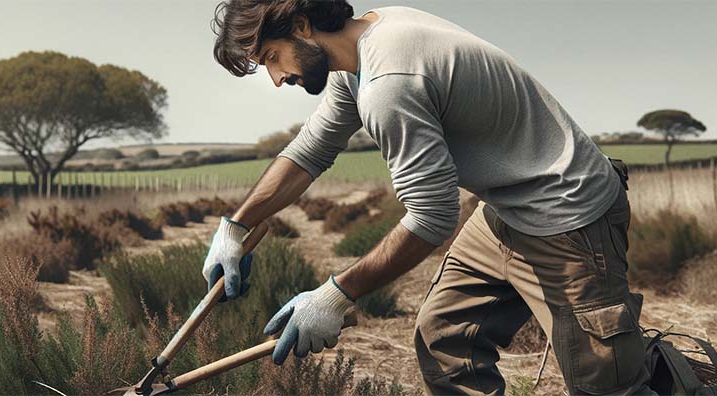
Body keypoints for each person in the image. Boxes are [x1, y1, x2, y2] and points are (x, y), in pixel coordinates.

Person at [206, 1, 655, 395]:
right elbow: (310, 150)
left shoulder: (389, 83)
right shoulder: (369, 42)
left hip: (568, 216)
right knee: (445, 341)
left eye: (271, 57)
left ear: (302, 26)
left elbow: (432, 218)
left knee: (607, 383)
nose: (278, 78)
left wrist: (335, 295)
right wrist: (236, 227)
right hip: (504, 209)